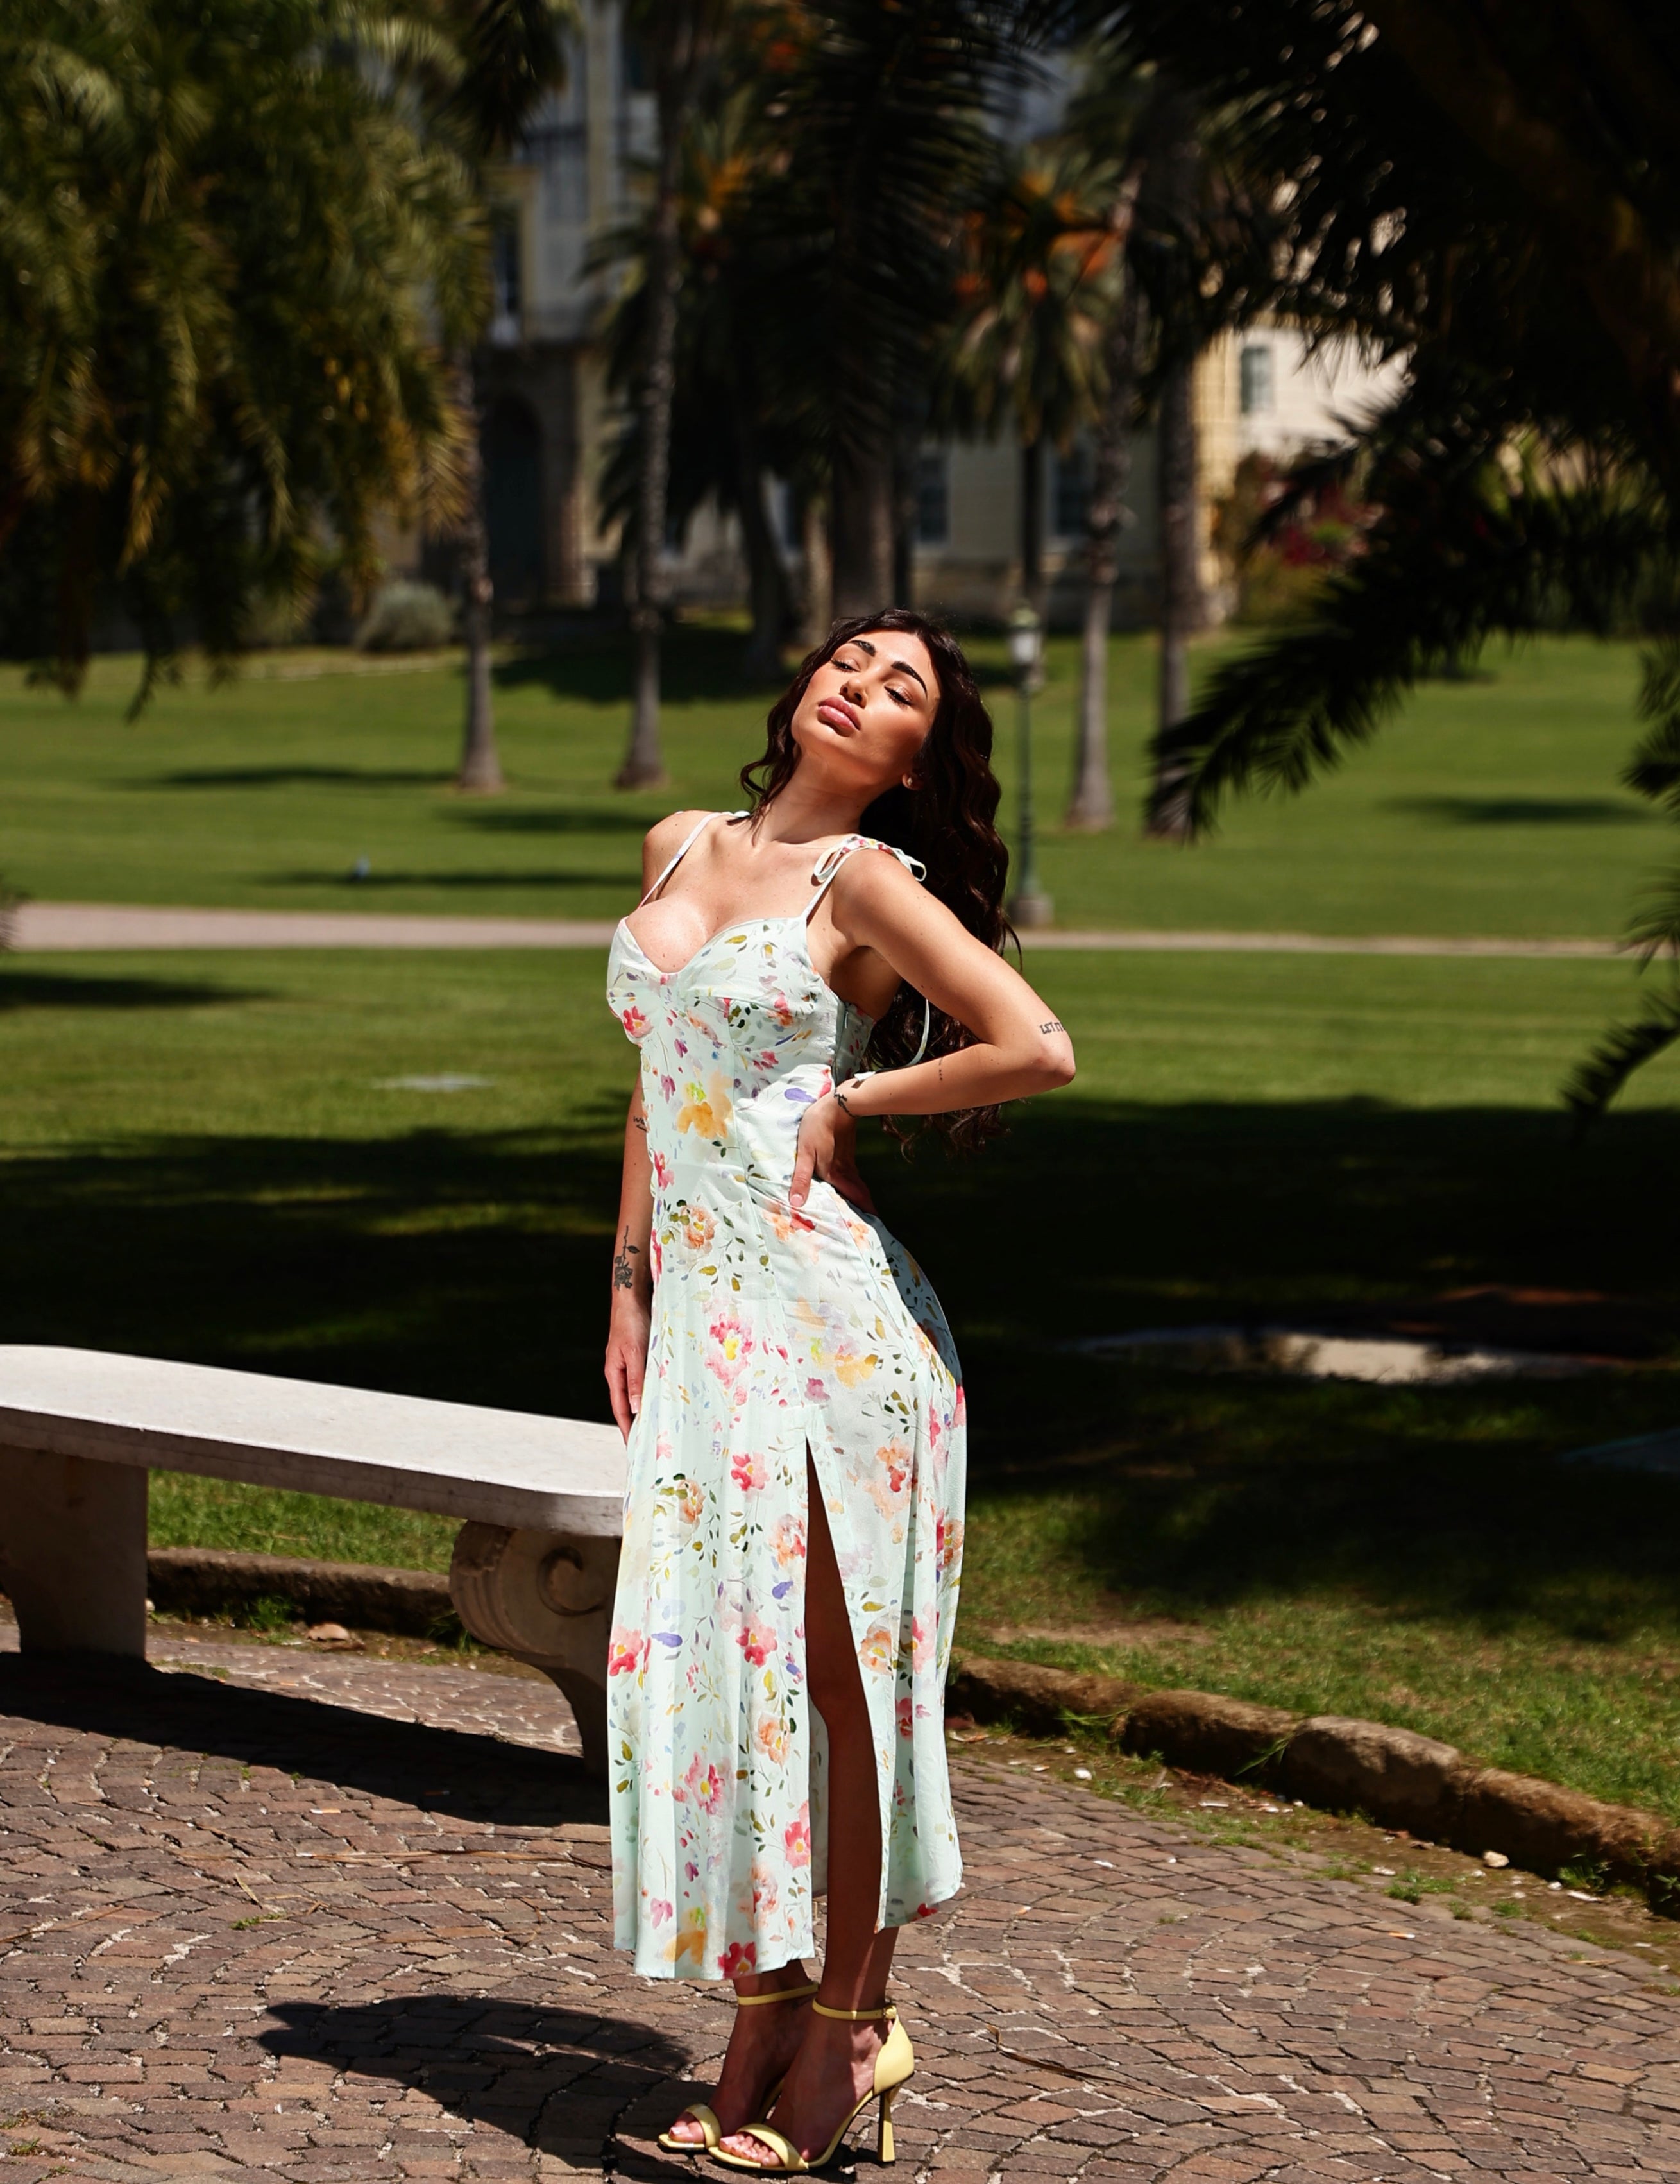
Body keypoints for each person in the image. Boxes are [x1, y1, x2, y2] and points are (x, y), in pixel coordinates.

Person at [602, 610, 1076, 2173]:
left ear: (913, 758)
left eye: (899, 690)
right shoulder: (680, 843)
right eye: (849, 662)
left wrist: (854, 1096)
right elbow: (656, 1075)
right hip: (704, 1333)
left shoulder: (865, 882)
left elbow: (1035, 1044)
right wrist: (627, 1283)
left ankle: (849, 2032)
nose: (858, 689)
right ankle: (763, 2009)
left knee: (849, 1695)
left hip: (834, 1334)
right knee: (734, 1689)